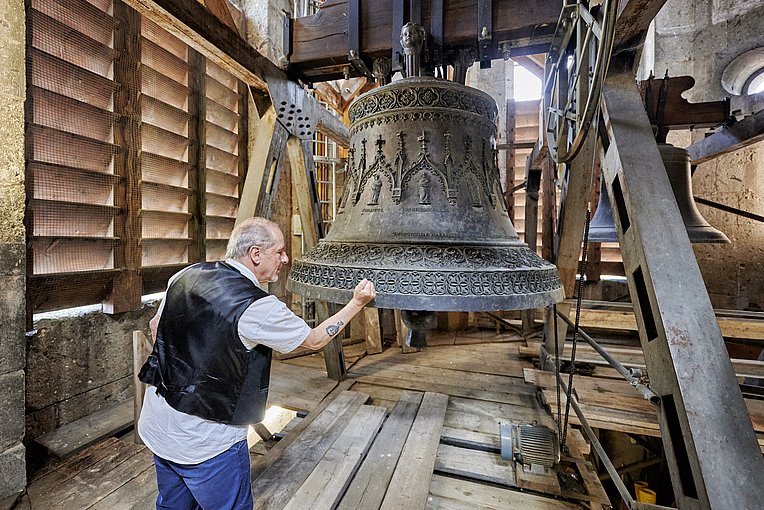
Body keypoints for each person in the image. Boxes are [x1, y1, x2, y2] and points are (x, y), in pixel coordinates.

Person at [137, 217, 376, 510]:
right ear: (255, 253)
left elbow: (155, 325)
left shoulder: (186, 275)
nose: (286, 258)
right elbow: (313, 340)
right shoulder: (258, 307)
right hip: (208, 443)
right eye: (280, 251)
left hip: (159, 424)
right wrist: (357, 303)